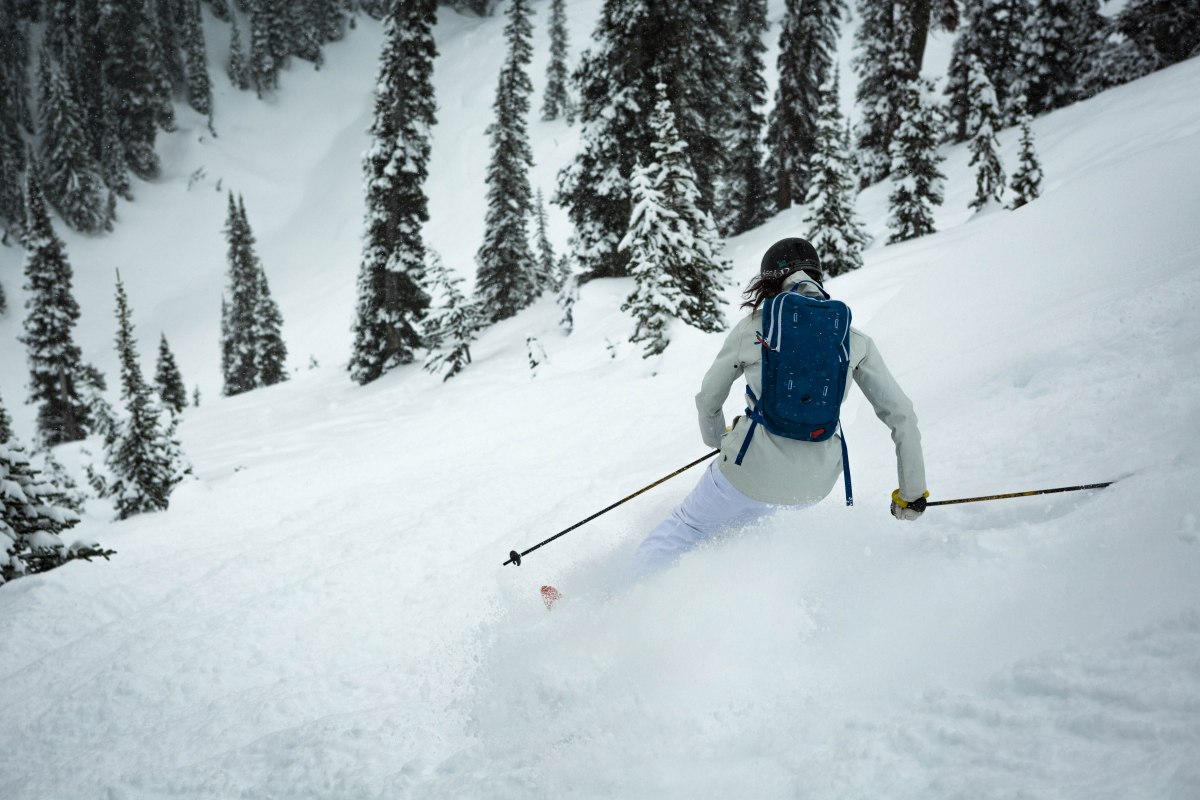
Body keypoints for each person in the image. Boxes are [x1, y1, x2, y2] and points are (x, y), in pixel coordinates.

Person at [628, 237, 928, 581]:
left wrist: (718, 441)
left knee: (688, 526)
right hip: (812, 486)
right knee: (748, 536)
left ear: (770, 281)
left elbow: (709, 397)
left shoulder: (755, 327)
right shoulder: (853, 338)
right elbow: (901, 415)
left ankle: (618, 609)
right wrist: (911, 495)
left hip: (746, 468)